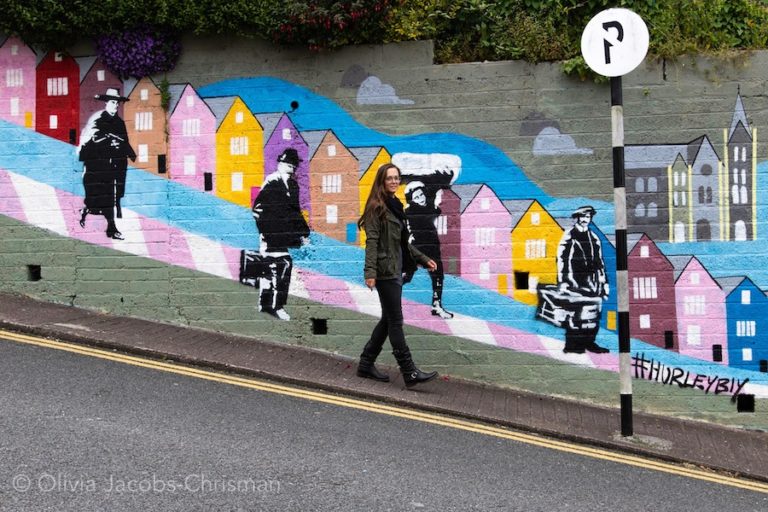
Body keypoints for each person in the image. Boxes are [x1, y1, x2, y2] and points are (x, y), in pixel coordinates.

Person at [357, 163, 440, 387]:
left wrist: (423, 259)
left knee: (388, 319)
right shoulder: (377, 207)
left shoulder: (395, 205)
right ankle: (409, 371)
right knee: (396, 321)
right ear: (381, 182)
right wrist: (370, 272)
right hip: (385, 272)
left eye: (396, 178)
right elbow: (371, 242)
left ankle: (365, 364)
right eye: (389, 178)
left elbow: (402, 243)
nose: (394, 181)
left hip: (396, 268)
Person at [252, 148, 310, 321]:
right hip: (270, 236)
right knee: (280, 266)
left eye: (293, 164)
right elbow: (258, 210)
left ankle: (267, 305)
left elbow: (295, 212)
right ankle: (275, 306)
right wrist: (267, 232)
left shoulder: (293, 185)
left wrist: (303, 234)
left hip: (282, 237)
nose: (291, 166)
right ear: (280, 164)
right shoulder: (272, 181)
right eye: (287, 163)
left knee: (277, 268)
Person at [77, 88, 136, 240]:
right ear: (106, 103)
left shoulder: (120, 123)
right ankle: (110, 227)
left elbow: (125, 143)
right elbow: (94, 138)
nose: (115, 105)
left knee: (111, 197)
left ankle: (105, 223)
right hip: (99, 167)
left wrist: (123, 149)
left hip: (115, 167)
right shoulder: (99, 120)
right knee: (103, 198)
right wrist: (109, 141)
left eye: (117, 103)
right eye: (112, 102)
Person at [556, 205, 610, 354]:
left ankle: (589, 342)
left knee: (593, 313)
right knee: (576, 313)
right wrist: (563, 281)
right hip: (575, 281)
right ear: (577, 218)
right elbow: (561, 259)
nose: (586, 220)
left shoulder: (594, 238)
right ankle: (573, 346)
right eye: (583, 217)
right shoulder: (569, 236)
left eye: (588, 217)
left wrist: (604, 282)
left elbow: (600, 261)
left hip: (592, 283)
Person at [404, 174, 454, 319]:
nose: (421, 198)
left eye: (421, 194)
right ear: (411, 200)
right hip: (418, 248)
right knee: (407, 275)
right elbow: (432, 211)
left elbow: (435, 209)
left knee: (437, 276)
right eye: (417, 196)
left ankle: (436, 305)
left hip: (431, 247)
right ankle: (387, 290)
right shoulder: (412, 211)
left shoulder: (427, 207)